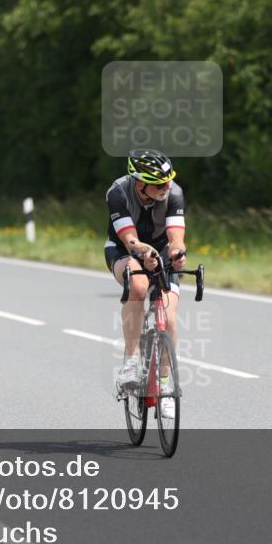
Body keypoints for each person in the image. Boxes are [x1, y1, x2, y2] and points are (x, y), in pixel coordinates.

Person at [104, 149, 186, 419]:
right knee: (138, 285)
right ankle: (130, 362)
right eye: (159, 184)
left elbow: (176, 236)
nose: (166, 187)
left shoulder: (173, 193)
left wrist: (176, 252)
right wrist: (143, 253)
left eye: (168, 181)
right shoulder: (118, 192)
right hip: (124, 250)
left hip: (160, 252)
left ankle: (165, 384)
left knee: (170, 316)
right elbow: (130, 240)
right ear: (140, 183)